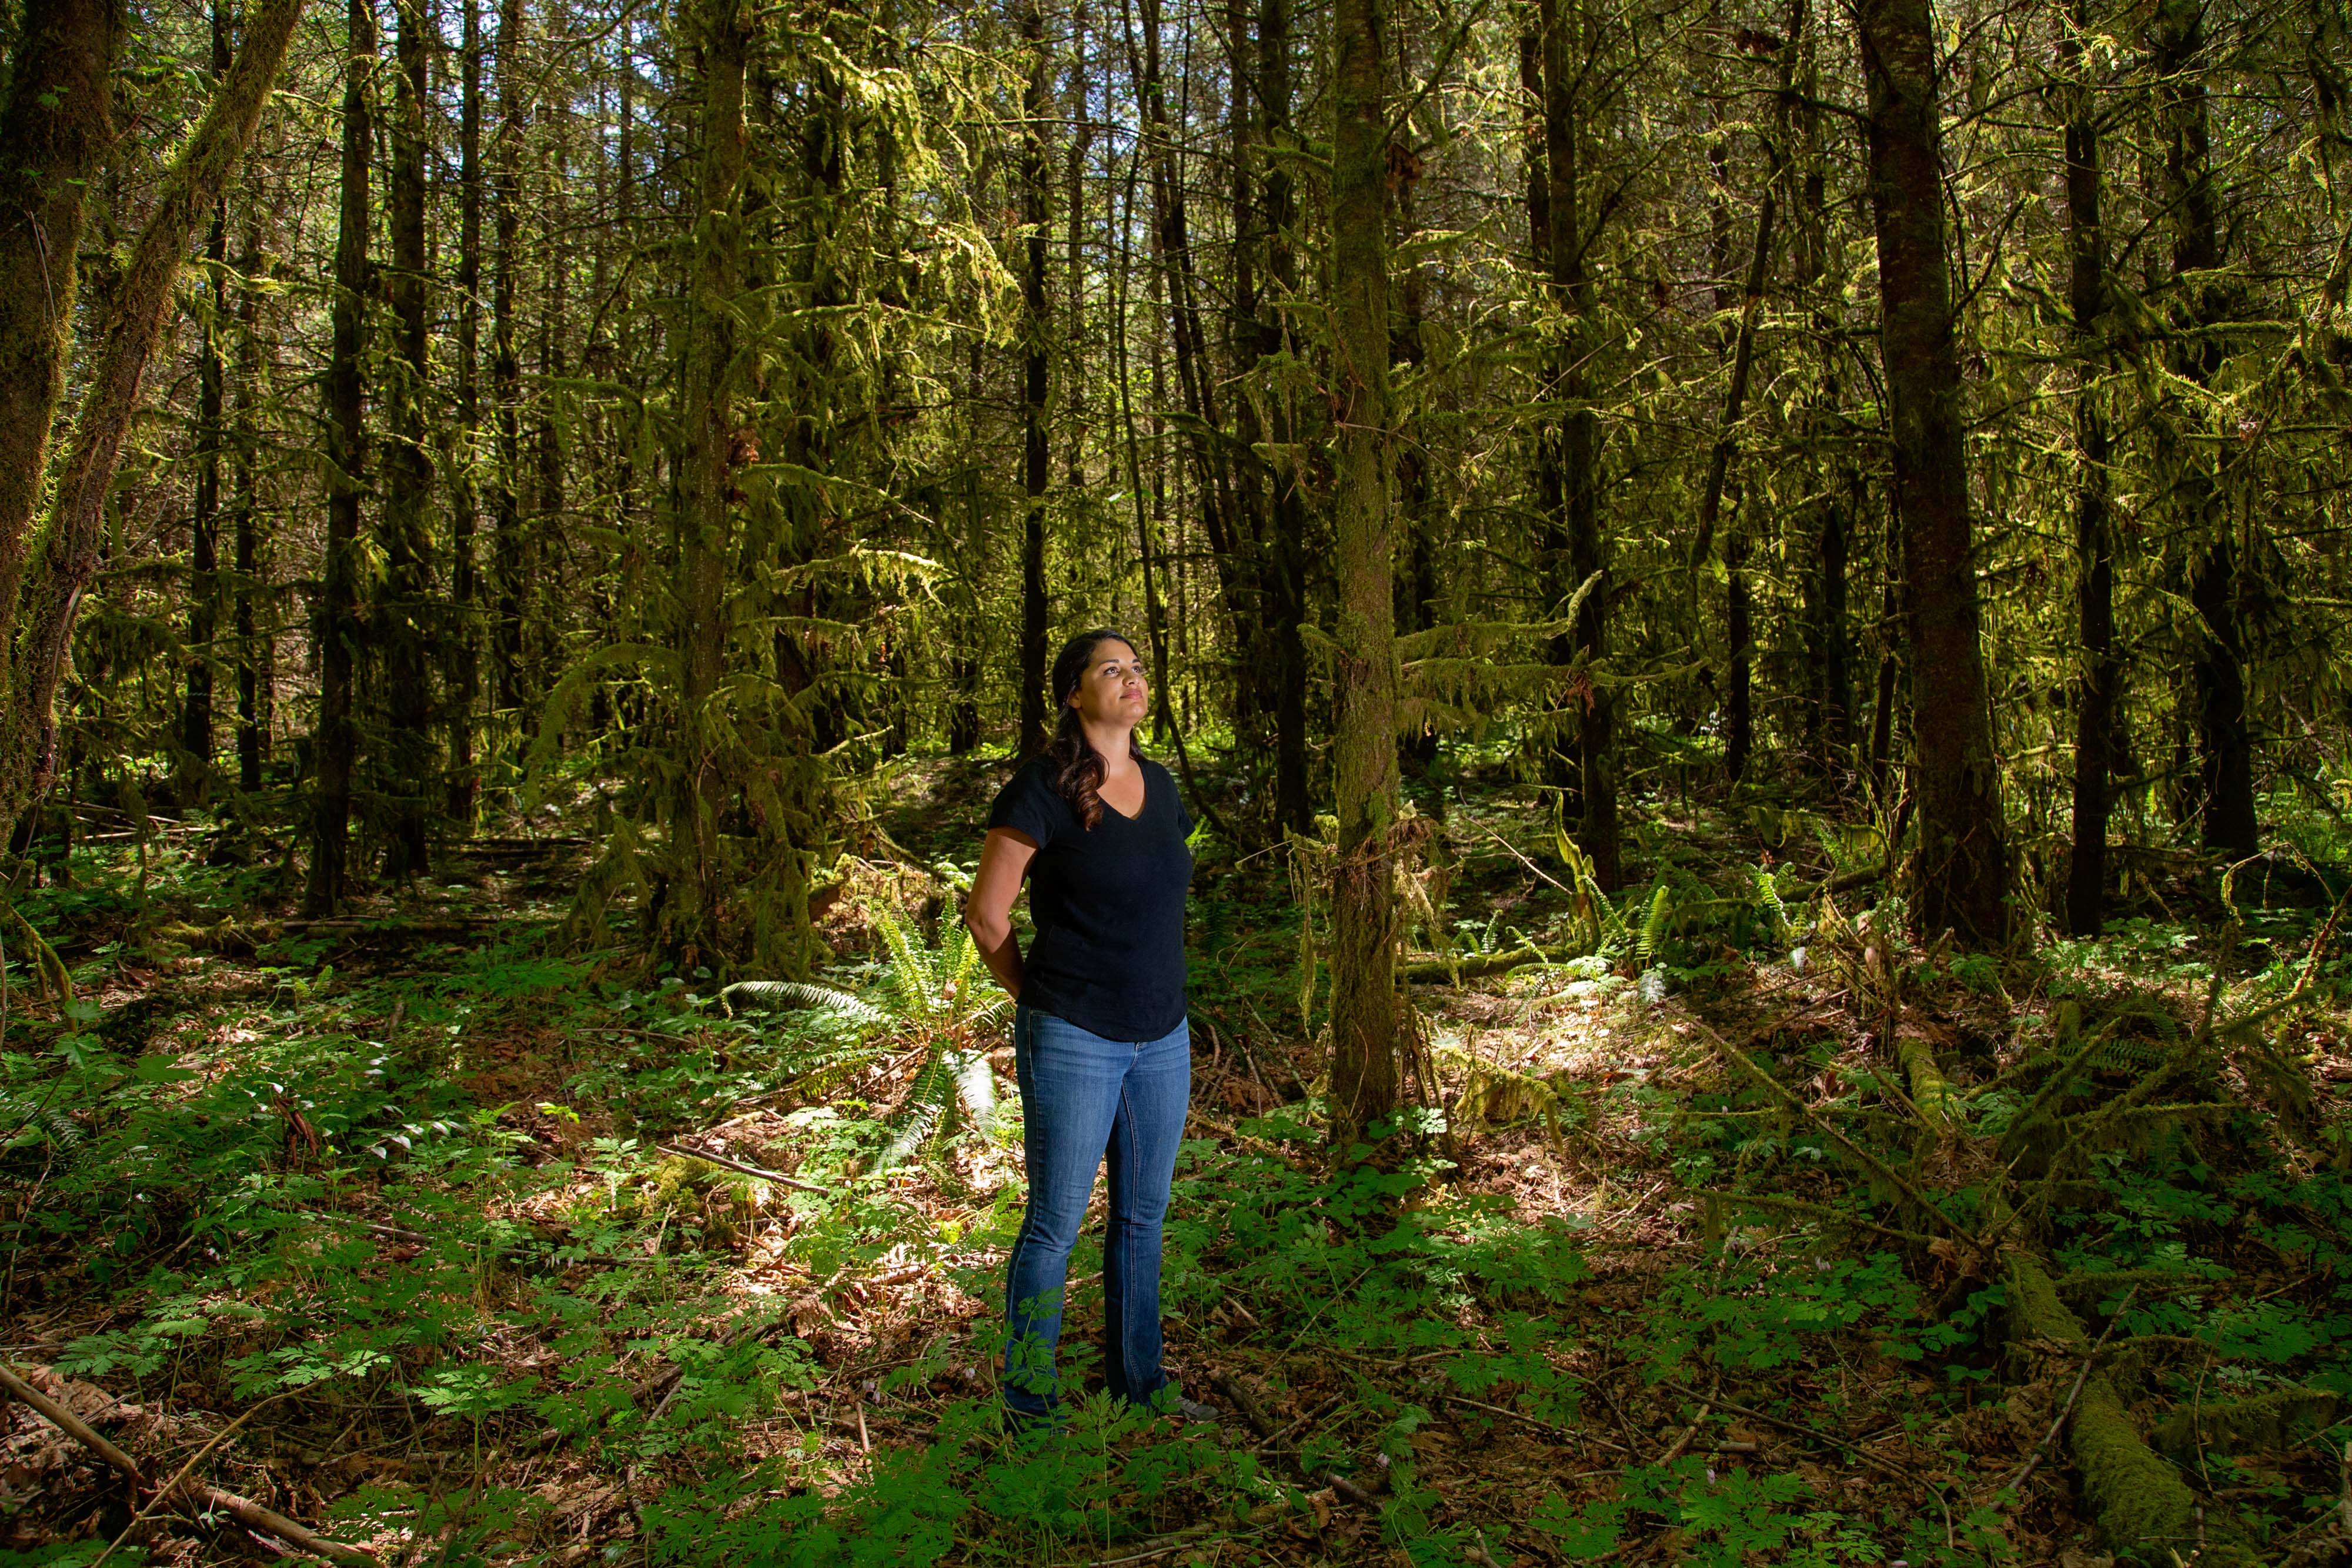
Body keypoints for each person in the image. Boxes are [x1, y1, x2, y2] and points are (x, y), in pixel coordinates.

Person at [964, 628, 1215, 1429]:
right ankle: (1030, 1409)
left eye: (1137, 668)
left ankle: (1139, 1389)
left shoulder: (1162, 786)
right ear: (1075, 694)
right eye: (1112, 669)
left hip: (1162, 1037)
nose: (1131, 678)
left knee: (1144, 1219)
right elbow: (987, 915)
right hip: (1074, 1034)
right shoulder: (1041, 787)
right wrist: (1034, 996)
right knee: (1054, 1226)